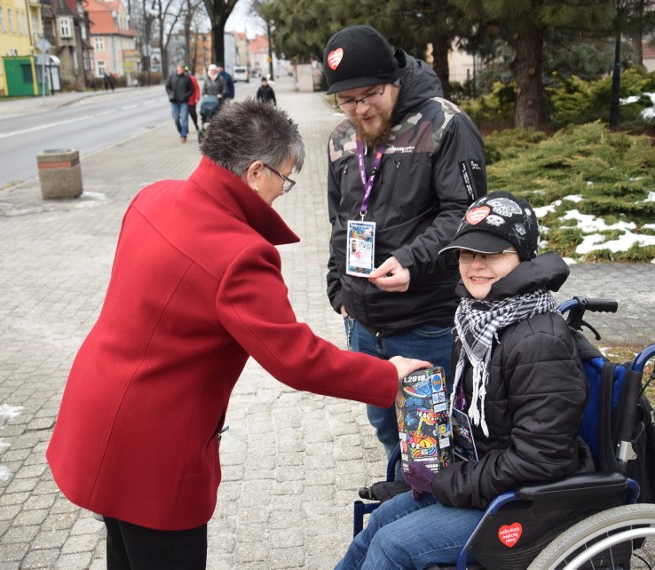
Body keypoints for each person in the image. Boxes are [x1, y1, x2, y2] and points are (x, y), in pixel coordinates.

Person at [45, 99, 431, 570]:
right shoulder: (239, 254)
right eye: (285, 180)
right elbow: (296, 358)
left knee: (124, 554)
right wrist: (386, 378)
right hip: (154, 451)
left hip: (98, 413)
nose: (282, 193)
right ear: (254, 173)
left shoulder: (154, 196)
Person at [336, 191, 596, 569]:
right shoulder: (477, 318)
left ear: (522, 256)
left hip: (525, 500)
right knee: (377, 522)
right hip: (485, 477)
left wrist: (452, 481)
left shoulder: (539, 341)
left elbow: (541, 459)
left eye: (491, 255)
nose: (476, 266)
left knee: (394, 546)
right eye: (467, 254)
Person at [323, 25, 488, 466]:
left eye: (369, 94)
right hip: (361, 326)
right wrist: (338, 290)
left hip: (423, 325)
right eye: (346, 100)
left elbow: (466, 214)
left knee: (426, 449)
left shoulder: (444, 124)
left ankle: (416, 528)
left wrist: (412, 262)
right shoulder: (341, 138)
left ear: (393, 79)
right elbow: (339, 220)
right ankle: (401, 508)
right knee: (388, 434)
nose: (359, 109)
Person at [165, 64, 194, 143]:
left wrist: (186, 95)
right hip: (174, 101)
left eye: (183, 68)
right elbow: (167, 87)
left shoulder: (187, 78)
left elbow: (191, 89)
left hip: (184, 101)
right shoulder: (172, 77)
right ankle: (181, 131)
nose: (181, 69)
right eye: (180, 67)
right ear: (177, 68)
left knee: (184, 118)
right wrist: (170, 94)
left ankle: (183, 135)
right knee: (176, 119)